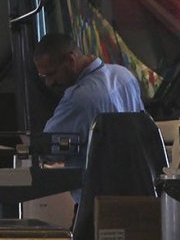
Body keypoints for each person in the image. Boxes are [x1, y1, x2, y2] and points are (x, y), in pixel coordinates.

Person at [35, 33, 146, 168]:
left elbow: (48, 148)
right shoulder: (124, 74)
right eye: (44, 76)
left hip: (96, 186)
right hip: (134, 180)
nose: (49, 83)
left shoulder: (79, 98)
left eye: (52, 74)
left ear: (71, 60)